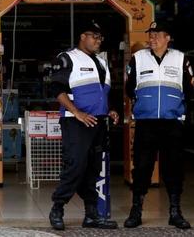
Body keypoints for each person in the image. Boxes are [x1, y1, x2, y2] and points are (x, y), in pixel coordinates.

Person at [48, 20, 119, 231]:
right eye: (94, 36)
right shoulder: (67, 58)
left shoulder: (102, 62)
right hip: (75, 123)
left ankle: (91, 215)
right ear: (82, 37)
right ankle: (57, 207)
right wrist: (76, 112)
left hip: (98, 122)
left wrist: (111, 110)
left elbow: (104, 93)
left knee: (93, 169)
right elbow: (56, 89)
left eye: (100, 38)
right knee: (76, 165)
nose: (98, 41)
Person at [123, 20, 194, 229]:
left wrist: (177, 107)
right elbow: (129, 87)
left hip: (172, 123)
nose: (152, 38)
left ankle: (175, 211)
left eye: (156, 34)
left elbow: (190, 89)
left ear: (168, 38)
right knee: (142, 167)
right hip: (146, 123)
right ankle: (136, 210)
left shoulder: (181, 58)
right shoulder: (138, 58)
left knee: (173, 167)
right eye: (150, 34)